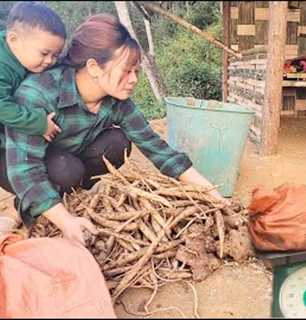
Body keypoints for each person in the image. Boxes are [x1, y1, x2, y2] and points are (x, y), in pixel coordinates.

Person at [1, 14, 227, 247]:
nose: (133, 80)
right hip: (13, 162)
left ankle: (60, 198)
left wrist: (215, 197)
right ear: (94, 67)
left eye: (136, 72)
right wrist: (67, 222)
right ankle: (25, 205)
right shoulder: (38, 94)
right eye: (127, 71)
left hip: (64, 153)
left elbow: (158, 149)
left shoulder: (116, 100)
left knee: (117, 142)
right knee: (66, 170)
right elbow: (24, 169)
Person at [0, 2, 64, 234]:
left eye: (55, 55)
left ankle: (30, 205)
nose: (49, 61)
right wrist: (38, 122)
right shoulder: (2, 64)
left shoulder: (24, 55)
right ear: (14, 39)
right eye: (44, 54)